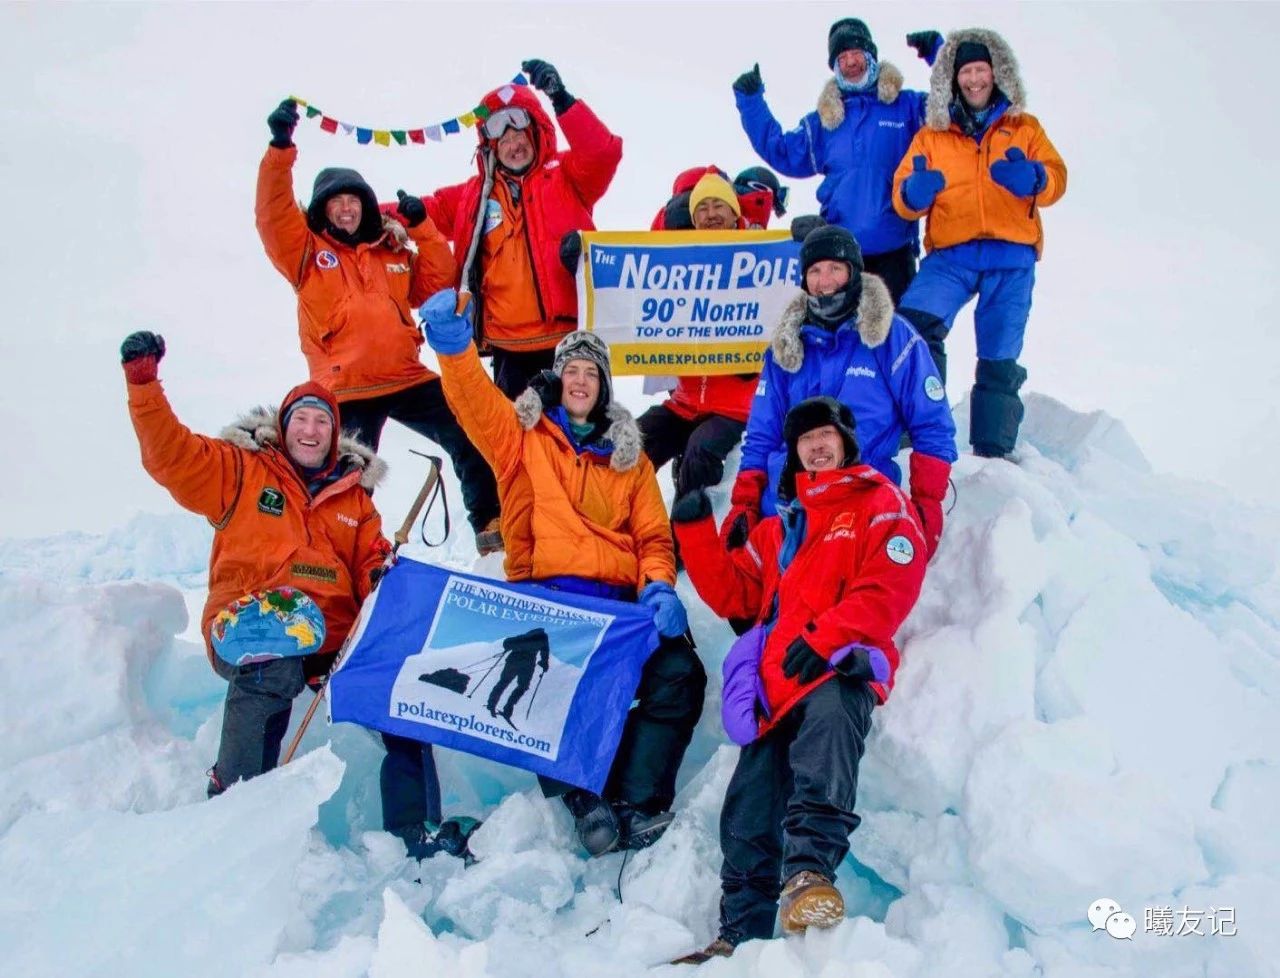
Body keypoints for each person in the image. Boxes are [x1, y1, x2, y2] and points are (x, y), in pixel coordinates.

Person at [119, 330, 455, 857]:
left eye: (323, 420)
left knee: (397, 687)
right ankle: (235, 796)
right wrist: (145, 387)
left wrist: (382, 572)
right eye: (302, 417)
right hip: (257, 623)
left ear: (335, 432)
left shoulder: (354, 497)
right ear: (283, 424)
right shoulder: (239, 472)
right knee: (271, 662)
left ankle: (417, 830)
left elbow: (368, 561)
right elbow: (172, 456)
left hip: (333, 636)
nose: (312, 428)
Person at [419, 289, 707, 856]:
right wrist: (455, 349)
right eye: (570, 370)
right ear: (559, 380)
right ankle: (583, 801)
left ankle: (635, 803)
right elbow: (476, 403)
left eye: (590, 373)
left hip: (616, 607)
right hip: (546, 602)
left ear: (603, 387)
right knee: (542, 693)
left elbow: (652, 536)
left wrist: (658, 585)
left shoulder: (631, 460)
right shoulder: (519, 439)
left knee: (679, 674)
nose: (579, 381)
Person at [670, 397, 928, 961]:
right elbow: (734, 595)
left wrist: (825, 637)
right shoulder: (780, 527)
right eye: (805, 439)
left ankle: (810, 876)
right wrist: (694, 532)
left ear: (844, 443)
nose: (816, 445)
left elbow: (892, 584)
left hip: (838, 668)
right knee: (747, 803)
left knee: (829, 739)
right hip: (778, 685)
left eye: (825, 435)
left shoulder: (880, 502)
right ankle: (737, 931)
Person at [255, 99, 502, 554]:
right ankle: (347, 558)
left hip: (405, 377)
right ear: (323, 210)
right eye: (337, 202)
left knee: (471, 428)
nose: (346, 210)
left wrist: (424, 227)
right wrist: (280, 147)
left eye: (354, 201)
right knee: (347, 479)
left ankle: (492, 529)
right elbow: (273, 215)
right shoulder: (306, 255)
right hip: (345, 387)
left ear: (367, 207)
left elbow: (438, 284)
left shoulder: (390, 252)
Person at [726, 225, 957, 561]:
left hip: (863, 496)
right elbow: (762, 434)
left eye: (836, 268)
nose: (826, 279)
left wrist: (927, 502)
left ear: (854, 273)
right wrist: (745, 501)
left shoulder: (891, 337)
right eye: (815, 271)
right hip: (788, 500)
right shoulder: (785, 347)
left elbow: (932, 422)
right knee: (754, 599)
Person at [892, 29, 1067, 459]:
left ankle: (992, 451)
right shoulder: (933, 134)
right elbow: (902, 196)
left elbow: (1057, 177)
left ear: (996, 73)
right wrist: (914, 193)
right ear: (954, 78)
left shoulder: (1023, 127)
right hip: (952, 254)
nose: (974, 79)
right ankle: (920, 428)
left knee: (999, 354)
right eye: (966, 71)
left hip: (1011, 255)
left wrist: (1036, 178)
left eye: (981, 70)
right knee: (913, 327)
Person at [415, 60, 622, 399]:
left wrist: (561, 99)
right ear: (490, 146)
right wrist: (357, 207)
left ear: (537, 132)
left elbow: (603, 153)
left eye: (520, 132)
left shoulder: (567, 176)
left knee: (578, 435)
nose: (514, 144)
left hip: (569, 337)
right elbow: (430, 209)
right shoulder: (474, 194)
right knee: (516, 440)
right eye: (503, 138)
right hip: (507, 346)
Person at [733, 18, 943, 303]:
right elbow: (782, 150)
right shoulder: (824, 122)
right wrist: (751, 102)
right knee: (845, 338)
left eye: (856, 53)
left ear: (871, 56)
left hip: (895, 250)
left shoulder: (906, 107)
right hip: (841, 254)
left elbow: (950, 109)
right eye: (841, 57)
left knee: (899, 335)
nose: (850, 62)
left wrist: (939, 55)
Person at [637, 171, 760, 500]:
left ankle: (685, 543)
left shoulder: (760, 258)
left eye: (719, 204)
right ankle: (624, 529)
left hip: (735, 406)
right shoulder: (682, 263)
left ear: (736, 212)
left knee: (699, 453)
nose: (711, 214)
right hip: (686, 401)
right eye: (702, 207)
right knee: (631, 442)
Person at [485, 627, 551, 724]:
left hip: (513, 661)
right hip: (527, 666)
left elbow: (507, 643)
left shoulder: (524, 637)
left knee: (503, 682)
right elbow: (545, 652)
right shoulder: (543, 638)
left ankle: (491, 705)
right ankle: (507, 710)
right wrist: (544, 664)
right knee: (522, 686)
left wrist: (508, 648)